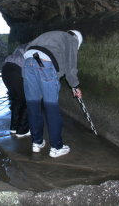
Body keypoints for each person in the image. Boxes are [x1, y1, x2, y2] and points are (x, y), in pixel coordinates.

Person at [22, 30, 83, 158]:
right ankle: (56, 147)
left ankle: (36, 142)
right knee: (51, 107)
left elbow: (28, 48)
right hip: (45, 63)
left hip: (28, 62)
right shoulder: (71, 39)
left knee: (33, 105)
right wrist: (75, 85)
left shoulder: (51, 35)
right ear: (77, 39)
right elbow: (70, 66)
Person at [1, 43, 30, 137]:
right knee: (28, 99)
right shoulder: (37, 47)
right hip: (17, 70)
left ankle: (13, 127)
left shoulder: (23, 46)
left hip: (5, 69)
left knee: (17, 98)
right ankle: (22, 131)